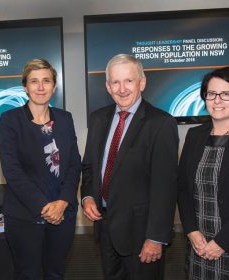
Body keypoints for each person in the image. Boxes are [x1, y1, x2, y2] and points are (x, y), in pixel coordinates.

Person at [80, 54, 179, 280]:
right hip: (105, 230)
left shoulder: (161, 123)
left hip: (141, 235)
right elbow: (89, 167)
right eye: (115, 82)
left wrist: (156, 237)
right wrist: (87, 197)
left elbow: (165, 186)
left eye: (129, 81)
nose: (121, 89)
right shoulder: (97, 119)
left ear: (142, 83)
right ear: (107, 86)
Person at [0, 58, 81, 280]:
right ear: (25, 87)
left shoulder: (65, 119)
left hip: (63, 214)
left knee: (55, 272)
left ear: (54, 86)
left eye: (46, 81)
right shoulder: (10, 120)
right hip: (25, 215)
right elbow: (12, 171)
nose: (41, 87)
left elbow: (74, 164)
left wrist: (63, 202)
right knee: (28, 274)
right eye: (34, 81)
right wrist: (45, 207)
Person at [178, 67, 229, 279]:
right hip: (199, 242)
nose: (217, 100)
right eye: (211, 94)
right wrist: (191, 230)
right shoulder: (194, 135)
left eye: (226, 94)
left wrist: (222, 242)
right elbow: (181, 187)